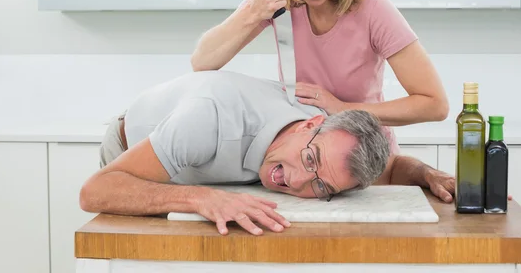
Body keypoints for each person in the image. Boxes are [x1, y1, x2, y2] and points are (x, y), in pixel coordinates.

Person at [190, 0, 453, 198]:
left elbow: (435, 103)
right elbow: (202, 62)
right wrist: (253, 12)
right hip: (300, 168)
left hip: (363, 169)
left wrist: (343, 109)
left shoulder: (374, 11)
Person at [79, 70, 452, 236]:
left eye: (320, 187)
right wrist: (199, 197)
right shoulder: (210, 118)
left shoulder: (327, 134)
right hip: (133, 155)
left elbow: (390, 168)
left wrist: (428, 175)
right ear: (309, 125)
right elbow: (95, 191)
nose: (297, 180)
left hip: (204, 165)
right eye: (310, 161)